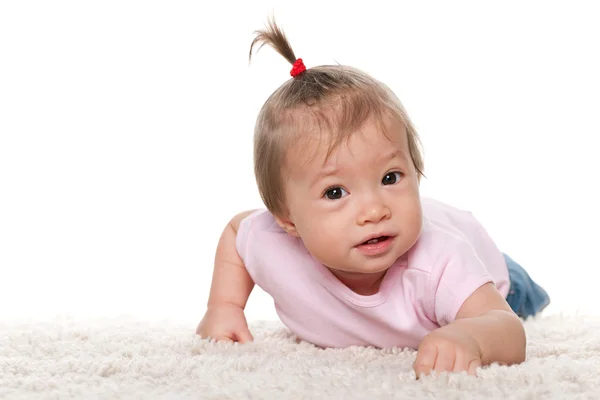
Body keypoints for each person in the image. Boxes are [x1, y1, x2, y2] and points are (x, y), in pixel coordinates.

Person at [196, 18, 550, 378]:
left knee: (521, 296)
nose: (374, 210)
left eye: (390, 178)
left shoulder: (440, 262)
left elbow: (507, 329)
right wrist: (225, 306)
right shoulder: (271, 241)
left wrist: (472, 337)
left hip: (487, 265)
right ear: (286, 219)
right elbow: (235, 232)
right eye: (335, 192)